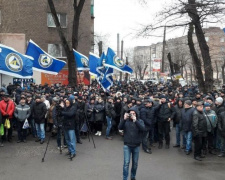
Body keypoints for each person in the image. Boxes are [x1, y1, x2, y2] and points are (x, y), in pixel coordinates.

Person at [119, 107, 145, 180]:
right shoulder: (126, 121)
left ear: (136, 114)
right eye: (131, 113)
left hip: (136, 145)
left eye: (134, 114)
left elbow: (143, 129)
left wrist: (135, 121)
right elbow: (120, 127)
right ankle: (125, 178)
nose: (132, 115)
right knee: (126, 163)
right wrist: (124, 119)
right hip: (127, 145)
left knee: (135, 164)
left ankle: (133, 177)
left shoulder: (140, 121)